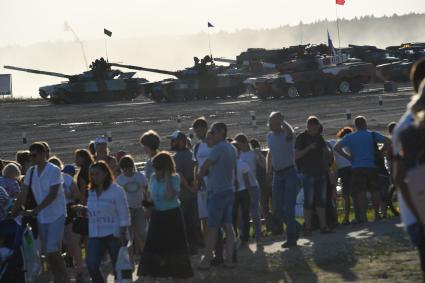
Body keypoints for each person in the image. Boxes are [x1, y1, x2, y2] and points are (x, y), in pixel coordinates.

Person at [11, 142, 69, 283]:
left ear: (43, 154)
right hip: (42, 216)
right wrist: (14, 211)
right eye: (30, 156)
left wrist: (36, 209)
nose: (32, 158)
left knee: (52, 248)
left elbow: (53, 194)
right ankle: (58, 276)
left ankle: (64, 277)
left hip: (57, 214)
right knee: (48, 252)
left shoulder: (54, 170)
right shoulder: (31, 172)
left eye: (35, 155)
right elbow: (23, 193)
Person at [138, 151, 193, 280]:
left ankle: (176, 277)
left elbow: (169, 195)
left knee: (174, 250)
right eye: (155, 168)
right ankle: (153, 276)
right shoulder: (152, 177)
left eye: (159, 168)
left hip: (172, 217)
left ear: (166, 167)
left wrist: (167, 176)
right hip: (157, 216)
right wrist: (147, 206)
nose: (156, 171)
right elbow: (152, 197)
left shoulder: (175, 178)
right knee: (153, 249)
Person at [394, 58, 425, 281]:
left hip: (414, 213)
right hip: (418, 214)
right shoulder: (407, 129)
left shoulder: (403, 127)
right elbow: (400, 178)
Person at [74, 161, 130, 283]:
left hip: (114, 234)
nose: (94, 177)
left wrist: (122, 233)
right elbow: (95, 210)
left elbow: (123, 212)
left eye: (97, 174)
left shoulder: (116, 190)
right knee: (91, 264)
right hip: (95, 233)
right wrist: (83, 209)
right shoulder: (92, 192)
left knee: (118, 266)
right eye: (92, 174)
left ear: (105, 173)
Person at [334, 116, 391, 223]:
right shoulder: (372, 134)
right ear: (365, 124)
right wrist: (380, 151)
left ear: (355, 126)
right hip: (372, 166)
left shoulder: (350, 137)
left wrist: (348, 157)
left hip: (357, 167)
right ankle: (376, 214)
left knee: (361, 192)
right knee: (375, 190)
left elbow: (336, 148)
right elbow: (388, 141)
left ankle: (363, 216)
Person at [197, 122, 237, 269]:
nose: (211, 134)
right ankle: (229, 260)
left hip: (217, 192)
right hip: (229, 190)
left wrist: (199, 180)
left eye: (213, 132)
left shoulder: (218, 148)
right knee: (228, 225)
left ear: (221, 132)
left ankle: (207, 260)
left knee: (212, 227)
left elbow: (204, 166)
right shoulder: (232, 148)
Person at [266, 111, 302, 247]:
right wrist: (268, 172)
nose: (270, 125)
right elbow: (270, 153)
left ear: (279, 123)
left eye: (273, 122)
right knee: (276, 208)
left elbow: (291, 132)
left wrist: (282, 121)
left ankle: (291, 238)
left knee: (289, 207)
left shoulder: (287, 135)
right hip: (277, 174)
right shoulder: (269, 136)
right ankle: (296, 226)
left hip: (289, 173)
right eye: (269, 122)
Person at [295, 116, 334, 235]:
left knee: (321, 201)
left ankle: (323, 226)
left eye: (316, 129)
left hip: (321, 173)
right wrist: (309, 148)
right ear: (308, 127)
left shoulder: (319, 137)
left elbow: (324, 155)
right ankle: (308, 228)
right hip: (308, 174)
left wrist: (329, 170)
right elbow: (296, 155)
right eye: (313, 128)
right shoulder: (301, 138)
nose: (315, 131)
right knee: (308, 201)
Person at [49, 157, 84, 282]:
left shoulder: (67, 178)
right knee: (57, 244)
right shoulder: (46, 179)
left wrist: (69, 195)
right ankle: (59, 273)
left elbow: (77, 195)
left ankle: (79, 270)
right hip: (53, 212)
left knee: (74, 241)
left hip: (68, 209)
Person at [170, 130, 198, 255]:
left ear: (182, 142)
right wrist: (193, 188)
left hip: (183, 195)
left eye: (174, 140)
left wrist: (188, 187)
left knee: (183, 224)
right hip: (193, 194)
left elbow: (180, 175)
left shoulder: (175, 158)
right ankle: (194, 247)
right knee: (193, 223)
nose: (172, 142)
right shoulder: (192, 154)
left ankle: (186, 249)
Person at [116, 155, 148, 259]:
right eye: (125, 169)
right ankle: (130, 259)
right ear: (122, 169)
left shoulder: (140, 176)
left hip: (139, 208)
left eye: (129, 168)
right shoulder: (119, 179)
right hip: (126, 210)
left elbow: (146, 190)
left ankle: (145, 256)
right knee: (128, 237)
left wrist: (147, 205)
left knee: (143, 233)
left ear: (132, 167)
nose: (127, 171)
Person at [234, 134, 263, 244]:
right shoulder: (238, 155)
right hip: (242, 188)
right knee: (241, 214)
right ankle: (243, 237)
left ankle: (258, 237)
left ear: (245, 142)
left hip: (253, 185)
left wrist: (259, 154)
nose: (239, 146)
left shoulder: (252, 154)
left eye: (239, 143)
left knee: (255, 213)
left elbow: (263, 165)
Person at [329, 127, 354, 225]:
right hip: (349, 168)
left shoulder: (334, 142)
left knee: (342, 194)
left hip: (340, 169)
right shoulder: (350, 144)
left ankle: (342, 217)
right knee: (348, 194)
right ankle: (346, 217)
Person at [192, 117, 211, 246]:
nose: (197, 133)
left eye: (199, 130)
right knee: (203, 216)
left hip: (213, 181)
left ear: (205, 129)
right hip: (201, 184)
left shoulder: (212, 143)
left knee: (214, 215)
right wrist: (196, 182)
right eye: (195, 131)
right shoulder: (197, 147)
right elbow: (196, 166)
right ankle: (207, 244)